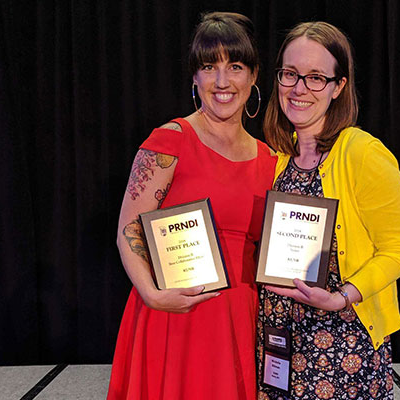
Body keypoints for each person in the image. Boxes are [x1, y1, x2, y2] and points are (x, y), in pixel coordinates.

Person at [107, 12, 276, 400]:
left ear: (253, 77)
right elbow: (128, 230)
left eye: (234, 66)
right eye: (208, 66)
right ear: (195, 78)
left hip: (241, 319)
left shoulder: (270, 159)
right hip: (174, 314)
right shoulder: (170, 140)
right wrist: (152, 295)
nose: (222, 81)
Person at [257, 21, 400, 399]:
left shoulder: (362, 153)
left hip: (343, 346)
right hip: (279, 340)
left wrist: (343, 296)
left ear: (338, 86)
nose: (299, 88)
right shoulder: (276, 157)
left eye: (316, 78)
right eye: (290, 74)